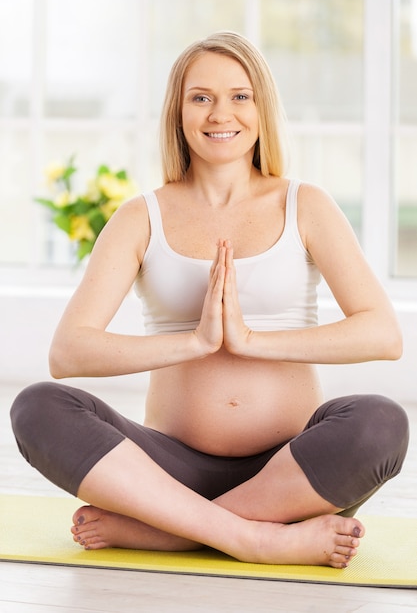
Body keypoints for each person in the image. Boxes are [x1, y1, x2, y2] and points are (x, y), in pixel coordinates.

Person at [11, 31, 409, 569]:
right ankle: (255, 537)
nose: (221, 113)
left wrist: (250, 342)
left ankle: (170, 531)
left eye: (240, 96)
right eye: (201, 97)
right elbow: (69, 354)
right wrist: (195, 342)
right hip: (168, 469)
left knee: (382, 424)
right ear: (179, 112)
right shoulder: (139, 217)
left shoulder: (306, 205)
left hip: (290, 473)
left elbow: (383, 335)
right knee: (37, 408)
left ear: (262, 108)